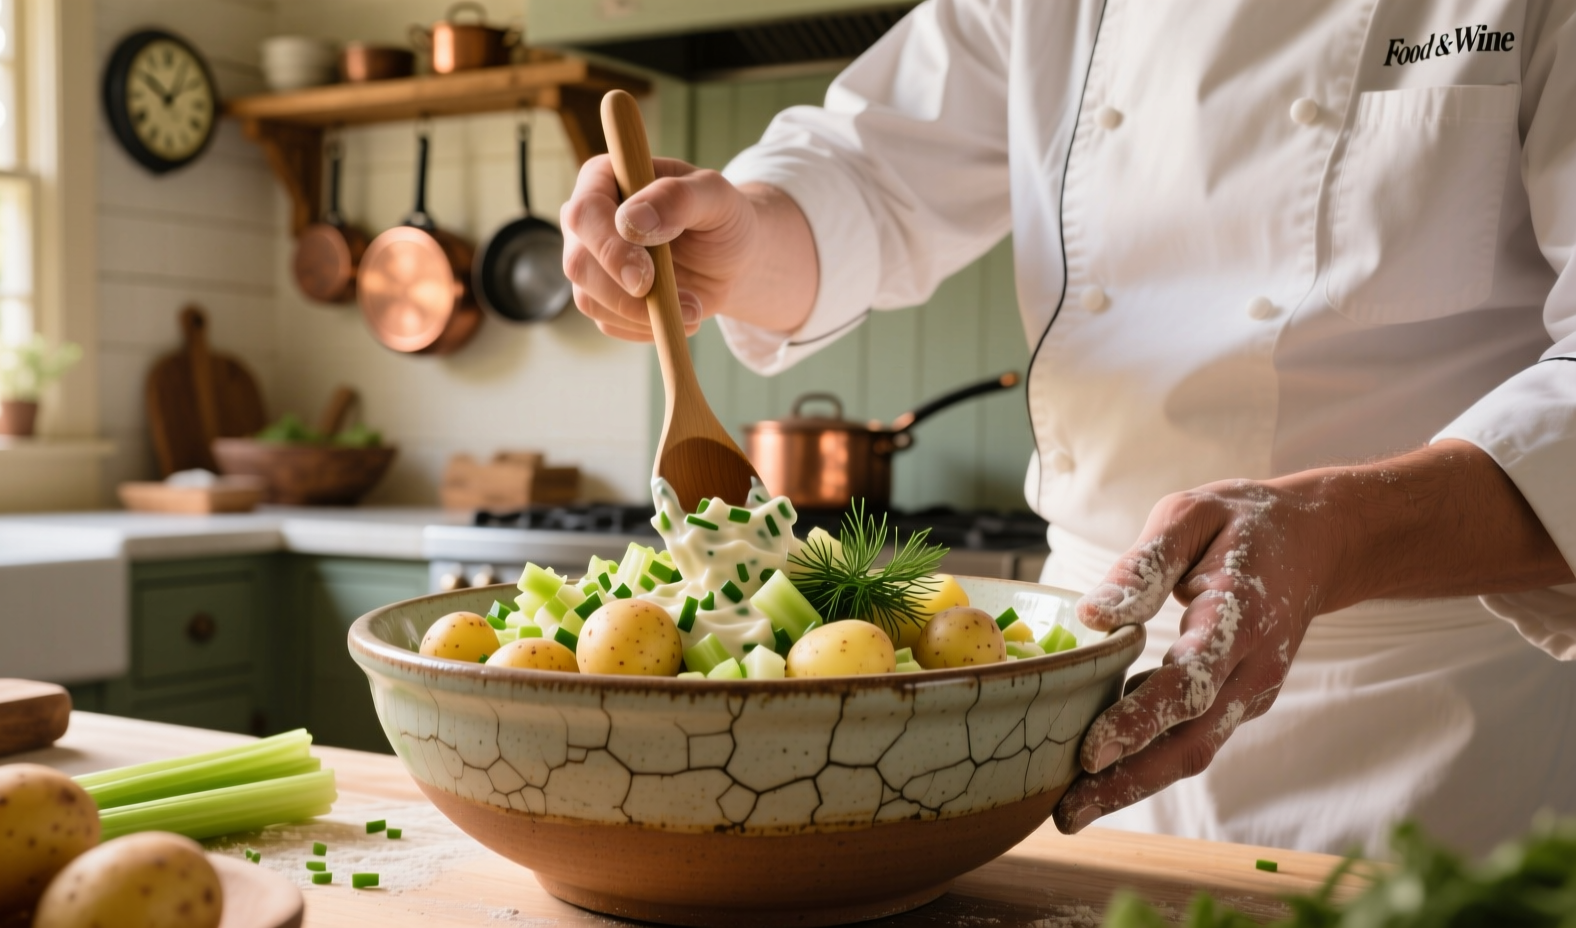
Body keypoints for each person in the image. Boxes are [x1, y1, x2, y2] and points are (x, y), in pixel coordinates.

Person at [559, 1, 1576, 857]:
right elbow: (866, 174)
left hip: (1435, 720)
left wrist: (1338, 527)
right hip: (1082, 693)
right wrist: (734, 242)